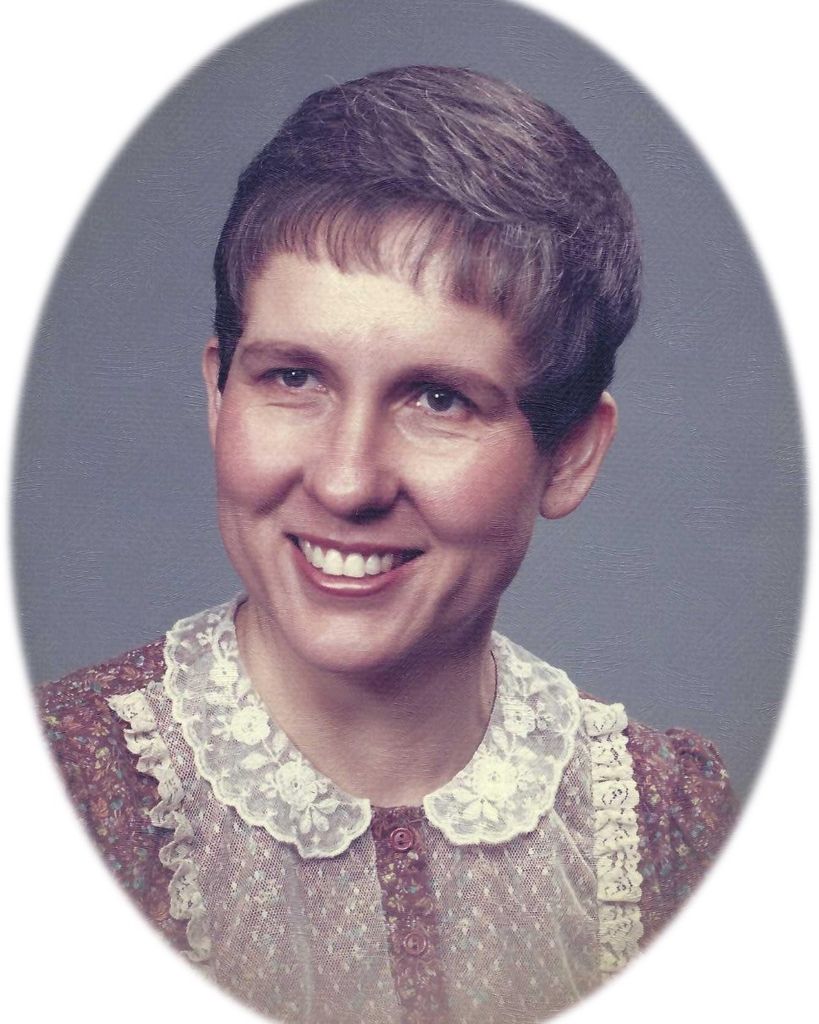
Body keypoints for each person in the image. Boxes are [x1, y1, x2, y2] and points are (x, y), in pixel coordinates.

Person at [37, 65, 736, 1024]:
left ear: (571, 454)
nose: (345, 481)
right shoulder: (53, 792)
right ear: (218, 395)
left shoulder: (669, 827)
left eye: (438, 398)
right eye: (292, 378)